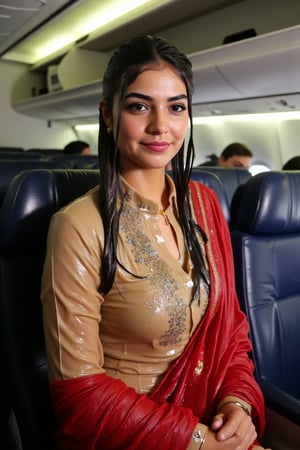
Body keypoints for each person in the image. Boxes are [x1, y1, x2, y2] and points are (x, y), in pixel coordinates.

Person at [41, 35, 269, 450]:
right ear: (107, 115)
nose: (160, 125)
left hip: (212, 427)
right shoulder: (77, 226)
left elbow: (231, 329)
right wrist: (196, 440)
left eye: (176, 107)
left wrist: (238, 404)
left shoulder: (205, 205)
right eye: (139, 106)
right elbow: (81, 395)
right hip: (129, 437)